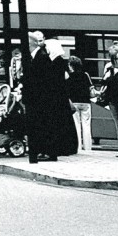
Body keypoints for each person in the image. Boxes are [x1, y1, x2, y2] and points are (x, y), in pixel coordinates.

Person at [23, 33, 78, 162]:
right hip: (46, 99)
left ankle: (49, 152)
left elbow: (43, 80)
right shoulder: (42, 57)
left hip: (43, 99)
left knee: (45, 125)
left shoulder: (41, 57)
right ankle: (46, 151)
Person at [65, 45, 95, 151]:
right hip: (86, 103)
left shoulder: (68, 76)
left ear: (70, 65)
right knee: (87, 126)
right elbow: (91, 89)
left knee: (76, 126)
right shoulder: (85, 75)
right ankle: (88, 148)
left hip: (74, 103)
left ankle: (77, 148)